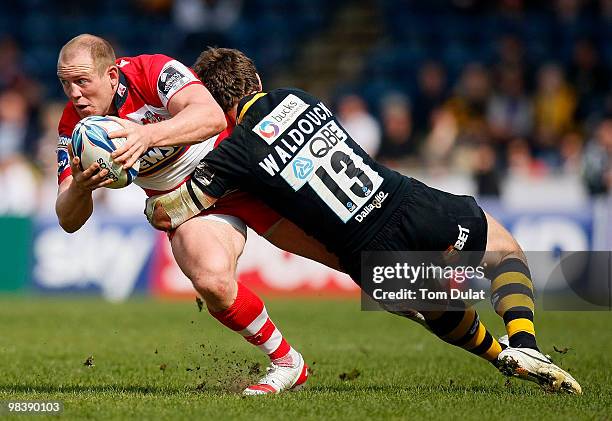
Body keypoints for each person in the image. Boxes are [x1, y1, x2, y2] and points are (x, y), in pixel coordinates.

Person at [146, 48, 582, 395]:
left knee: (435, 310)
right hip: (404, 201)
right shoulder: (300, 97)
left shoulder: (234, 155)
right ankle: (525, 343)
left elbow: (175, 211)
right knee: (504, 251)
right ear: (257, 81)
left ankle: (496, 355)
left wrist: (137, 182)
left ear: (216, 107)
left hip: (364, 253)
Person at [54, 34, 340, 396]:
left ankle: (429, 302)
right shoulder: (73, 128)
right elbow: (67, 217)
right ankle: (286, 362)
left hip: (242, 174)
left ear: (111, 75)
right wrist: (80, 187)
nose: (74, 94)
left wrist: (147, 136)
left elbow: (211, 116)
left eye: (82, 81)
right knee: (211, 281)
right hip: (189, 207)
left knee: (347, 255)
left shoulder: (152, 70)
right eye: (65, 83)